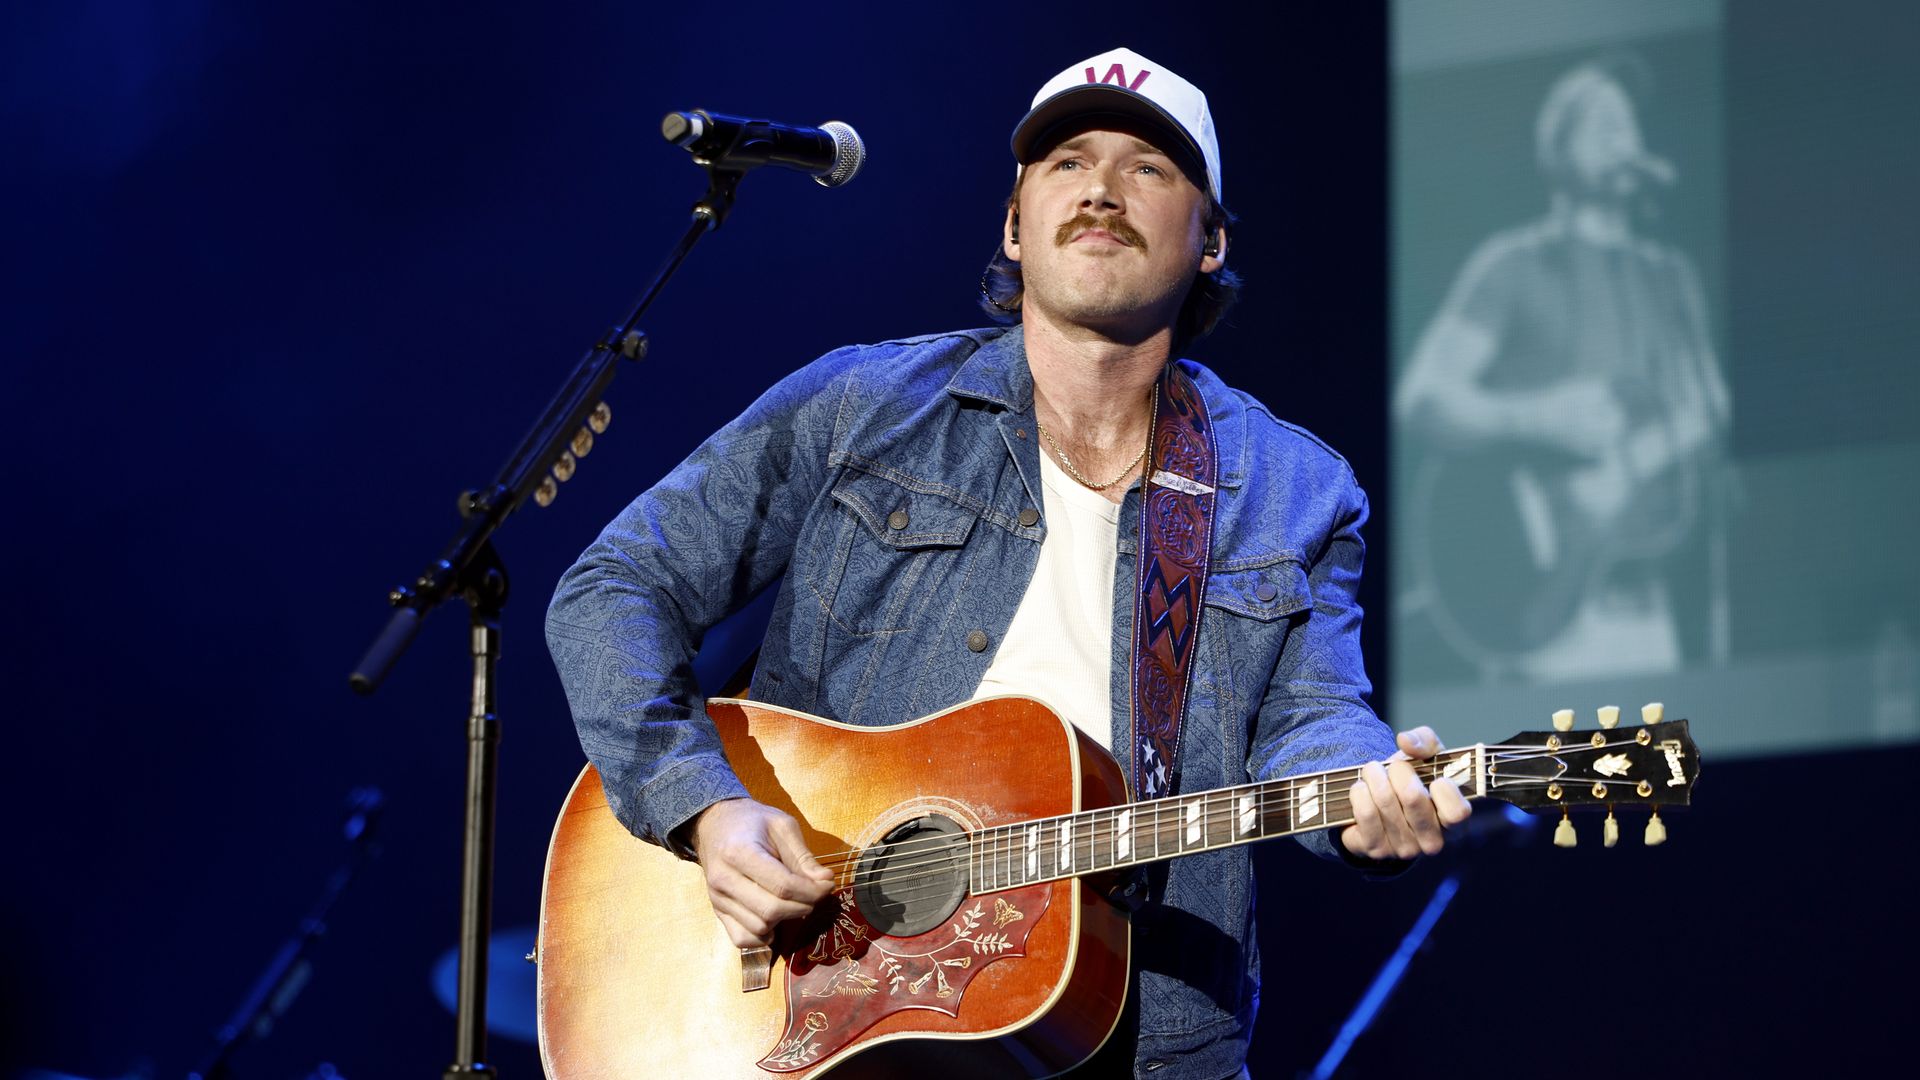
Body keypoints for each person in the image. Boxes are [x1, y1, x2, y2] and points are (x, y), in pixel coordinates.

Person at [547, 46, 1469, 1078]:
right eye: (1067, 163)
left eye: (1151, 169)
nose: (1103, 192)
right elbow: (612, 589)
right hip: (817, 1006)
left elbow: (1315, 717)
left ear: (1210, 241)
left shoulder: (1296, 490)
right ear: (1013, 224)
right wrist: (705, 809)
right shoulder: (862, 406)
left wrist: (1367, 793)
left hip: (1141, 1038)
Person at [1394, 58, 1733, 682]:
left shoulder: (1671, 278)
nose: (1620, 135)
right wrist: (1545, 417)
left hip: (1644, 600)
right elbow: (1425, 398)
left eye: (1627, 123)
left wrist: (1649, 454)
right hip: (1540, 608)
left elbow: (1710, 408)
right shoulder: (1515, 265)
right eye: (1601, 121)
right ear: (1559, 146)